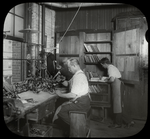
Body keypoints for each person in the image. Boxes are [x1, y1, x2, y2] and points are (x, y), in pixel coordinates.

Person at [53, 58, 91, 136]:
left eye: (69, 68)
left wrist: (59, 94)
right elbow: (68, 84)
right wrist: (62, 80)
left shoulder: (79, 77)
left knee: (61, 111)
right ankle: (73, 128)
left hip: (81, 103)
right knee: (61, 106)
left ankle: (79, 127)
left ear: (74, 66)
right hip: (82, 101)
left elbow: (73, 95)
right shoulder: (77, 74)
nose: (69, 70)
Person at [98, 57, 134, 128]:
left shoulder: (110, 68)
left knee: (118, 106)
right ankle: (128, 121)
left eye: (102, 65)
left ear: (105, 63)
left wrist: (105, 80)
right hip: (117, 86)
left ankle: (119, 123)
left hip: (117, 86)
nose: (102, 66)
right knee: (118, 106)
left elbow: (112, 79)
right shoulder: (112, 67)